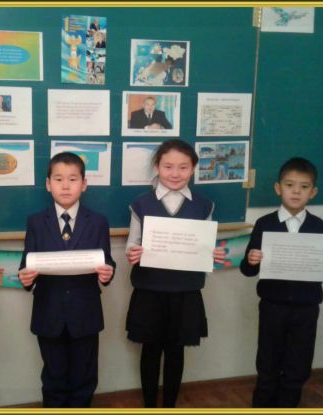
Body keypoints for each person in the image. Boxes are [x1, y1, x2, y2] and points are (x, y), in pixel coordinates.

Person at [239, 157, 323, 408]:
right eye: (290, 185)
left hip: (306, 309)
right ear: (278, 188)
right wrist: (252, 260)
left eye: (304, 187)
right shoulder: (264, 224)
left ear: (313, 192)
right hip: (272, 307)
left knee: (297, 368)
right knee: (267, 365)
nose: (296, 192)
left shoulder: (320, 227)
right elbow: (247, 270)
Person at [125, 139, 227, 407]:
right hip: (150, 290)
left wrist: (213, 255)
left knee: (176, 351)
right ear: (157, 167)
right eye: (168, 166)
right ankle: (150, 405)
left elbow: (206, 247)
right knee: (150, 350)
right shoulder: (141, 203)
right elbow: (132, 244)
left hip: (185, 291)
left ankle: (169, 405)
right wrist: (133, 253)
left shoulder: (204, 205)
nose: (175, 173)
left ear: (193, 169)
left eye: (183, 167)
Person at [18, 152, 116, 408]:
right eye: (58, 179)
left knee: (84, 377)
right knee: (54, 377)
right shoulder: (36, 222)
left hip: (85, 313)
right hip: (48, 312)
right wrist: (25, 278)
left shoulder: (98, 222)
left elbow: (107, 261)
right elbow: (26, 266)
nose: (65, 186)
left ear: (84, 184)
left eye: (73, 179)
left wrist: (108, 273)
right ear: (48, 184)